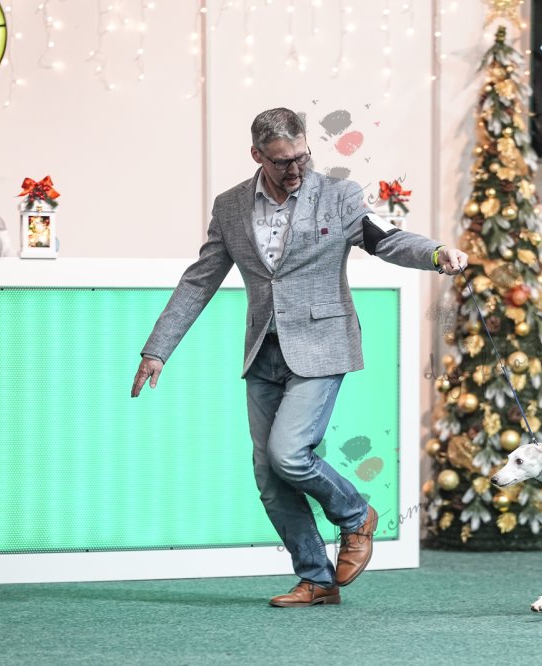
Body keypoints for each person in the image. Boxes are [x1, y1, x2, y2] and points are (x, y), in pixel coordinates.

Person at [130, 107, 468, 606]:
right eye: (282, 161)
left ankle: (355, 515)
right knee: (270, 478)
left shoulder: (338, 195)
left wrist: (436, 254)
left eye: (302, 156)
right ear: (257, 155)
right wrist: (158, 349)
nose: (295, 169)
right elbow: (200, 280)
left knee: (288, 454)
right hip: (262, 351)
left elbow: (386, 239)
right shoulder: (230, 207)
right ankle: (316, 579)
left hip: (322, 344)